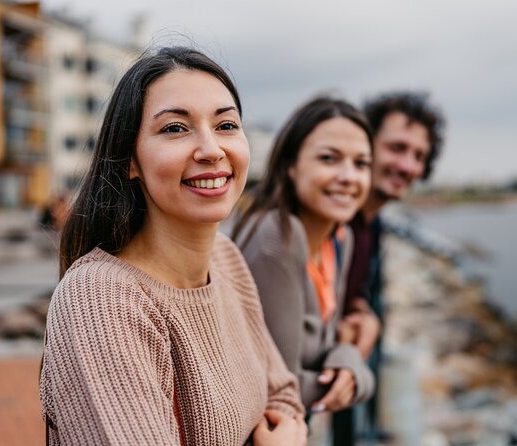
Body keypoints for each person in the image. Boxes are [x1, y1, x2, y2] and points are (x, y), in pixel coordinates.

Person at [39, 46, 307, 446]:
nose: (212, 149)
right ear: (129, 159)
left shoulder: (227, 259)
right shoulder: (101, 300)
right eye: (175, 128)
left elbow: (284, 396)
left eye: (227, 125)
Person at [231, 97, 375, 420]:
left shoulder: (340, 237)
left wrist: (347, 354)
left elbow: (332, 341)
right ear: (291, 166)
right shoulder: (277, 239)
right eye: (329, 159)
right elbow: (279, 389)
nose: (349, 176)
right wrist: (362, 377)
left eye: (361, 163)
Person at [333, 91, 446, 444]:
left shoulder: (374, 225)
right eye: (397, 148)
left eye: (418, 156)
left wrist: (363, 312)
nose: (408, 166)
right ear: (365, 144)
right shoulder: (331, 220)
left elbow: (356, 291)